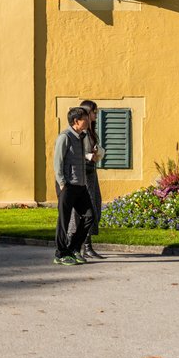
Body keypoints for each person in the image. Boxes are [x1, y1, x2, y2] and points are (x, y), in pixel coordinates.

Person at [53, 106, 94, 266]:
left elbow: (76, 158)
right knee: (64, 220)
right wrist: (62, 183)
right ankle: (61, 254)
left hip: (80, 185)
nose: (88, 120)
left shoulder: (80, 137)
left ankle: (74, 248)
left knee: (89, 216)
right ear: (76, 121)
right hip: (68, 185)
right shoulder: (65, 137)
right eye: (85, 118)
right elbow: (58, 162)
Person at [77, 99, 105, 260]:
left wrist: (97, 153)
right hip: (85, 175)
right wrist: (90, 156)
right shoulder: (81, 132)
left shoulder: (91, 131)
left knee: (95, 206)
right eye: (94, 111)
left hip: (91, 173)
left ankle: (88, 245)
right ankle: (84, 245)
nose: (96, 114)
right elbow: (77, 152)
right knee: (88, 210)